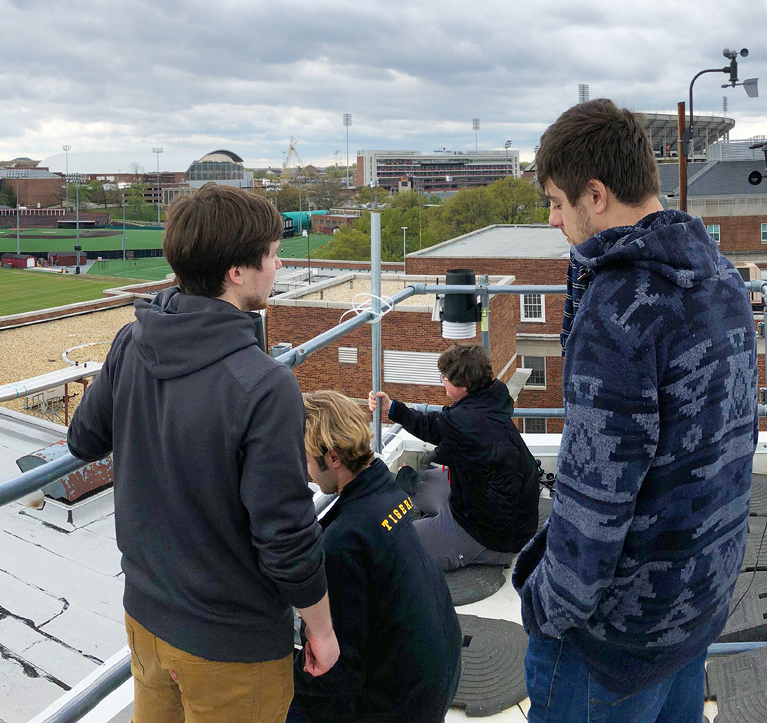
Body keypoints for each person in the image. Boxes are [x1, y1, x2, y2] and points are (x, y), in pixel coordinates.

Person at [513, 99, 757, 723]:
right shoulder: (720, 277)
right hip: (695, 606)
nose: (552, 220)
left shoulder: (619, 308)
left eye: (555, 203)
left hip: (614, 642)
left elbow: (596, 494)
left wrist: (548, 605)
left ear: (594, 194)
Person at [68, 183, 338, 723]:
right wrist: (322, 629)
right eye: (272, 252)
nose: (279, 263)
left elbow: (84, 440)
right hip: (229, 647)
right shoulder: (264, 384)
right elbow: (285, 535)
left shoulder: (132, 340)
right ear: (237, 272)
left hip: (145, 622)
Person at [289, 391, 461, 723]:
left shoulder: (344, 542)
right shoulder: (390, 491)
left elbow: (339, 675)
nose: (307, 471)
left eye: (308, 458)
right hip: (438, 680)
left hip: (401, 708)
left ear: (334, 457)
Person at [369, 343, 540, 572]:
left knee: (390, 543)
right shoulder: (492, 400)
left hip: (489, 538)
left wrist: (394, 410)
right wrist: (393, 408)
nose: (443, 382)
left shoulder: (465, 421)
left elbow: (433, 428)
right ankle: (409, 484)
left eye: (445, 378)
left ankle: (472, 550)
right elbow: (439, 428)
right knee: (422, 481)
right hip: (493, 513)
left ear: (464, 386)